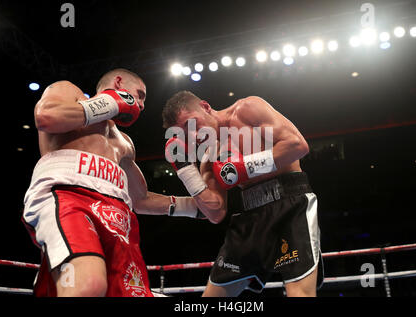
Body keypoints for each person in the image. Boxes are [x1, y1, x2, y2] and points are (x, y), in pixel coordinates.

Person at [23, 69, 205, 297]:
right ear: (118, 83)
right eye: (140, 95)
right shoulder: (70, 92)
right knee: (88, 285)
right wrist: (109, 103)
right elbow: (47, 117)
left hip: (118, 218)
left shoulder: (125, 144)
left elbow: (140, 199)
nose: (142, 104)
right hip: (68, 197)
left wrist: (196, 207)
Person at [162, 91, 323, 297]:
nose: (193, 135)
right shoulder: (210, 159)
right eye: (185, 134)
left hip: (290, 205)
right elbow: (216, 212)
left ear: (205, 106)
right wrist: (185, 170)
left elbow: (297, 145)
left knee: (300, 294)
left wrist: (245, 167)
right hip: (250, 219)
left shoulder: (247, 109)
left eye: (191, 124)